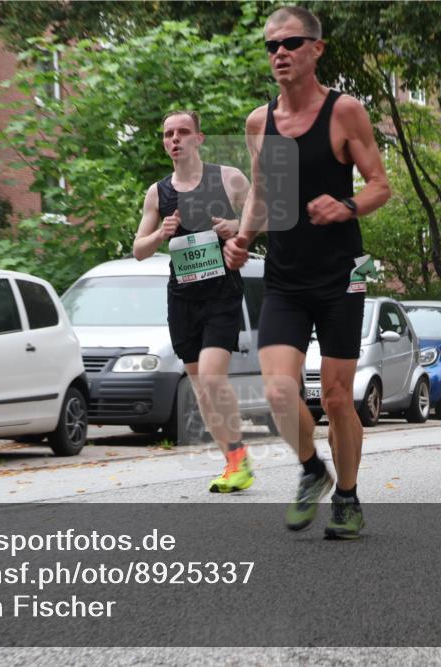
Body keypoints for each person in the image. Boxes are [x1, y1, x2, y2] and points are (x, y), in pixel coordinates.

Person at [223, 6, 391, 539]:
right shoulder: (260, 122)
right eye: (272, 46)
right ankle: (312, 471)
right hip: (287, 277)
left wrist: (346, 206)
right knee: (277, 390)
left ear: (316, 49)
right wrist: (245, 237)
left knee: (338, 397)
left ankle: (347, 496)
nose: (280, 53)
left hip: (343, 275)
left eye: (291, 43)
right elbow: (264, 195)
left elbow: (380, 185)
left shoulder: (345, 113)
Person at [133, 110, 254, 492]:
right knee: (201, 386)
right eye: (169, 134)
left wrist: (238, 227)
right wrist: (161, 235)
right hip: (182, 297)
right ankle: (235, 462)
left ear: (199, 139)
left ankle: (238, 459)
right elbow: (138, 249)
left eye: (183, 132)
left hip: (221, 292)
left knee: (214, 377)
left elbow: (263, 213)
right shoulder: (158, 192)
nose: (175, 139)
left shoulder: (229, 178)